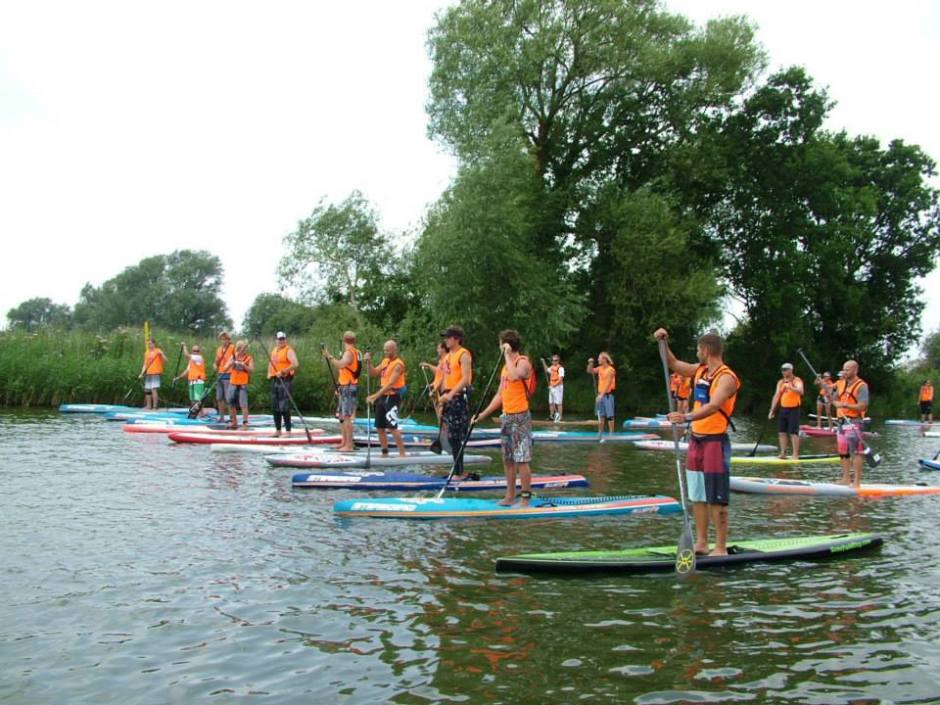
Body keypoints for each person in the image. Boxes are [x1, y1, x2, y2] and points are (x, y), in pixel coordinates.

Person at [655, 328, 740, 557]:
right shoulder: (700, 370)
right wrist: (663, 341)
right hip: (696, 440)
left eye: (698, 349)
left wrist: (686, 417)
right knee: (698, 495)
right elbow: (672, 363)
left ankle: (720, 547)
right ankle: (702, 543)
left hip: (715, 441)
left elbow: (714, 406)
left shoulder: (726, 377)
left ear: (706, 350)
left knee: (717, 498)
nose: (696, 353)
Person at [474, 330, 534, 506]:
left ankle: (525, 498)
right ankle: (509, 496)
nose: (499, 347)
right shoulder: (504, 367)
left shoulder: (522, 361)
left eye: (501, 344)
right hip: (507, 416)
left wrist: (508, 354)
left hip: (520, 416)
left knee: (521, 459)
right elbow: (500, 394)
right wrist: (483, 414)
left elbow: (516, 375)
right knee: (508, 459)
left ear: (506, 345)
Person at [435, 325, 473, 476]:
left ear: (456, 339)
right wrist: (440, 397)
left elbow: (465, 379)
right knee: (450, 436)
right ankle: (457, 470)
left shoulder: (464, 354)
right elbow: (444, 378)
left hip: (458, 397)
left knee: (456, 436)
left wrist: (450, 395)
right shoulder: (447, 356)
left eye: (448, 337)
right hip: (448, 397)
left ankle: (459, 472)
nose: (446, 340)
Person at [365, 340, 407, 456]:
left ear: (394, 349)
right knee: (380, 427)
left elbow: (390, 384)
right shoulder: (385, 361)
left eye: (387, 350)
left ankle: (402, 453)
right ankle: (384, 452)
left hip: (393, 397)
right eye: (384, 350)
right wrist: (369, 363)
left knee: (392, 427)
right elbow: (373, 373)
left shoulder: (398, 364)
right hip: (383, 397)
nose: (385, 352)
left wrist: (374, 396)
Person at [833, 360, 869, 488]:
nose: (845, 372)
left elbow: (863, 406)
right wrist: (834, 400)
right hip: (841, 421)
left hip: (854, 421)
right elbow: (834, 399)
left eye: (848, 369)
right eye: (844, 369)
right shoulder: (842, 384)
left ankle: (857, 482)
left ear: (855, 370)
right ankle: (846, 478)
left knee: (855, 451)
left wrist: (845, 405)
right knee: (843, 452)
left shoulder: (862, 385)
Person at [324, 331, 361, 452]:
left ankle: (349, 445)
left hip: (349, 387)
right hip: (344, 385)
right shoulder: (356, 352)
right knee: (342, 416)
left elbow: (340, 365)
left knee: (346, 417)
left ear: (344, 340)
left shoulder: (349, 353)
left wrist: (329, 356)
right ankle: (344, 442)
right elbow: (344, 370)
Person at [768, 362, 804, 460]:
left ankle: (795, 454)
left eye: (785, 370)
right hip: (784, 409)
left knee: (793, 432)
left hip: (794, 409)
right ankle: (783, 452)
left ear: (791, 370)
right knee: (781, 431)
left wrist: (790, 387)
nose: (783, 372)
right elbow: (776, 396)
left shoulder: (797, 380)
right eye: (782, 370)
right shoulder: (780, 382)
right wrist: (772, 410)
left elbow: (801, 391)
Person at [267, 331, 299, 436]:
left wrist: (283, 371)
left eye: (283, 339)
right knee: (275, 406)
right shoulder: (274, 350)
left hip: (285, 379)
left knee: (284, 406)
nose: (281, 341)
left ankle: (288, 431)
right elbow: (271, 363)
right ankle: (278, 430)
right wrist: (269, 372)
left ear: (286, 339)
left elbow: (295, 364)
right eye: (279, 339)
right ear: (276, 340)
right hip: (275, 380)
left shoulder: (288, 350)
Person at [587, 352, 616, 440]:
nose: (598, 360)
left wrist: (601, 395)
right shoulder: (599, 368)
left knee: (610, 416)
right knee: (601, 415)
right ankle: (600, 432)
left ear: (604, 359)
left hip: (607, 395)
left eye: (599, 358)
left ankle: (611, 434)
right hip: (600, 395)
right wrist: (590, 363)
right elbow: (589, 371)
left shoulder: (611, 370)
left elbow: (608, 384)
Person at [227, 340, 254, 428]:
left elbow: (252, 370)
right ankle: (234, 422)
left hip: (243, 384)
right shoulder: (233, 356)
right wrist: (231, 363)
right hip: (233, 383)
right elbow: (225, 367)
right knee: (231, 403)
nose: (244, 350)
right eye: (242, 348)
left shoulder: (249, 358)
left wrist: (244, 365)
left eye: (245, 348)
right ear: (238, 349)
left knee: (243, 404)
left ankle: (245, 423)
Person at [174, 344, 207, 416]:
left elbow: (186, 355)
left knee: (198, 399)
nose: (195, 352)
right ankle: (194, 413)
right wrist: (178, 378)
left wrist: (184, 346)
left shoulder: (199, 358)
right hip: (191, 382)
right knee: (192, 399)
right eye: (194, 351)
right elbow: (187, 371)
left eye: (197, 351)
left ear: (199, 352)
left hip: (198, 381)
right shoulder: (191, 361)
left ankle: (201, 414)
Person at [419, 342, 448, 423]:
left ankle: (444, 430)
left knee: (441, 412)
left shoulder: (446, 360)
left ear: (443, 349)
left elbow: (444, 377)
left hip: (442, 389)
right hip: (437, 388)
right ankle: (441, 429)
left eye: (439, 348)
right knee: (438, 411)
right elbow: (438, 373)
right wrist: (432, 384)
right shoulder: (441, 361)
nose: (437, 350)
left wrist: (436, 388)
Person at [138, 338, 168, 410]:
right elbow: (145, 364)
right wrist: (142, 373)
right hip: (148, 373)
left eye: (151, 343)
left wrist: (162, 354)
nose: (149, 345)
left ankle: (155, 406)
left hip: (155, 373)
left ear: (154, 344)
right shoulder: (146, 352)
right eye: (148, 344)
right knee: (147, 389)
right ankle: (148, 406)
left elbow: (166, 360)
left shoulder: (158, 351)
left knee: (153, 389)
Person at [214, 331, 235, 423]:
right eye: (222, 339)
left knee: (228, 398)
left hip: (229, 375)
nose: (223, 341)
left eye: (225, 339)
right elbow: (216, 361)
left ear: (228, 339)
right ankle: (221, 417)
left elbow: (235, 359)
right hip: (220, 374)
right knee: (219, 398)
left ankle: (231, 418)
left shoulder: (233, 348)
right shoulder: (219, 349)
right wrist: (215, 365)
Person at [540, 354, 565, 422]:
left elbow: (560, 379)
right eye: (553, 360)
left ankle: (560, 417)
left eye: (556, 360)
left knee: (558, 402)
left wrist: (553, 386)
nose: (554, 362)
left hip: (558, 387)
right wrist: (543, 362)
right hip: (552, 386)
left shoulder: (560, 368)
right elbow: (546, 370)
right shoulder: (551, 367)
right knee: (551, 402)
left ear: (558, 361)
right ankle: (552, 416)